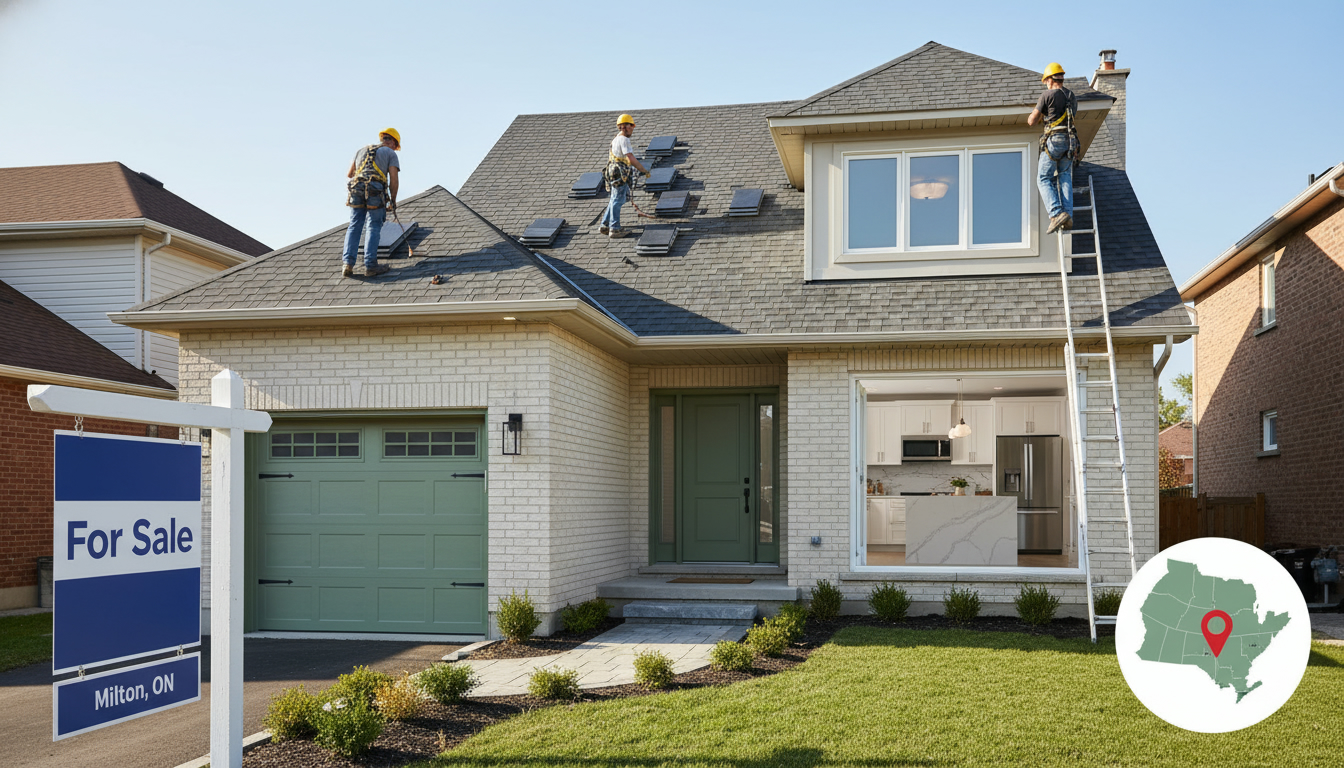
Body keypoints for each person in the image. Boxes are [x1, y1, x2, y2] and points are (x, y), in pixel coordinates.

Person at [1027, 64, 1078, 234]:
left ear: (1050, 79)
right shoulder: (1071, 96)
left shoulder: (1047, 95)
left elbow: (1032, 121)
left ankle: (1056, 213)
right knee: (1064, 176)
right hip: (1070, 142)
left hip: (1054, 141)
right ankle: (1068, 215)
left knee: (1043, 178)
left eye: (1046, 81)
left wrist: (1039, 113)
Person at [342, 128, 401, 276]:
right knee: (373, 226)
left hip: (357, 189)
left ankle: (347, 264)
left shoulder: (362, 150)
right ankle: (370, 265)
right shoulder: (390, 153)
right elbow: (394, 179)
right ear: (393, 142)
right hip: (375, 189)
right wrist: (393, 200)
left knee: (355, 225)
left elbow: (350, 174)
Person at [599, 114, 649, 238]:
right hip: (619, 172)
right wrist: (643, 170)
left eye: (632, 126)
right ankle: (615, 228)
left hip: (613, 171)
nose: (631, 129)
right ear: (624, 127)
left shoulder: (615, 139)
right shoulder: (624, 140)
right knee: (617, 199)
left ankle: (605, 224)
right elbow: (630, 157)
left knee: (616, 198)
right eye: (630, 126)